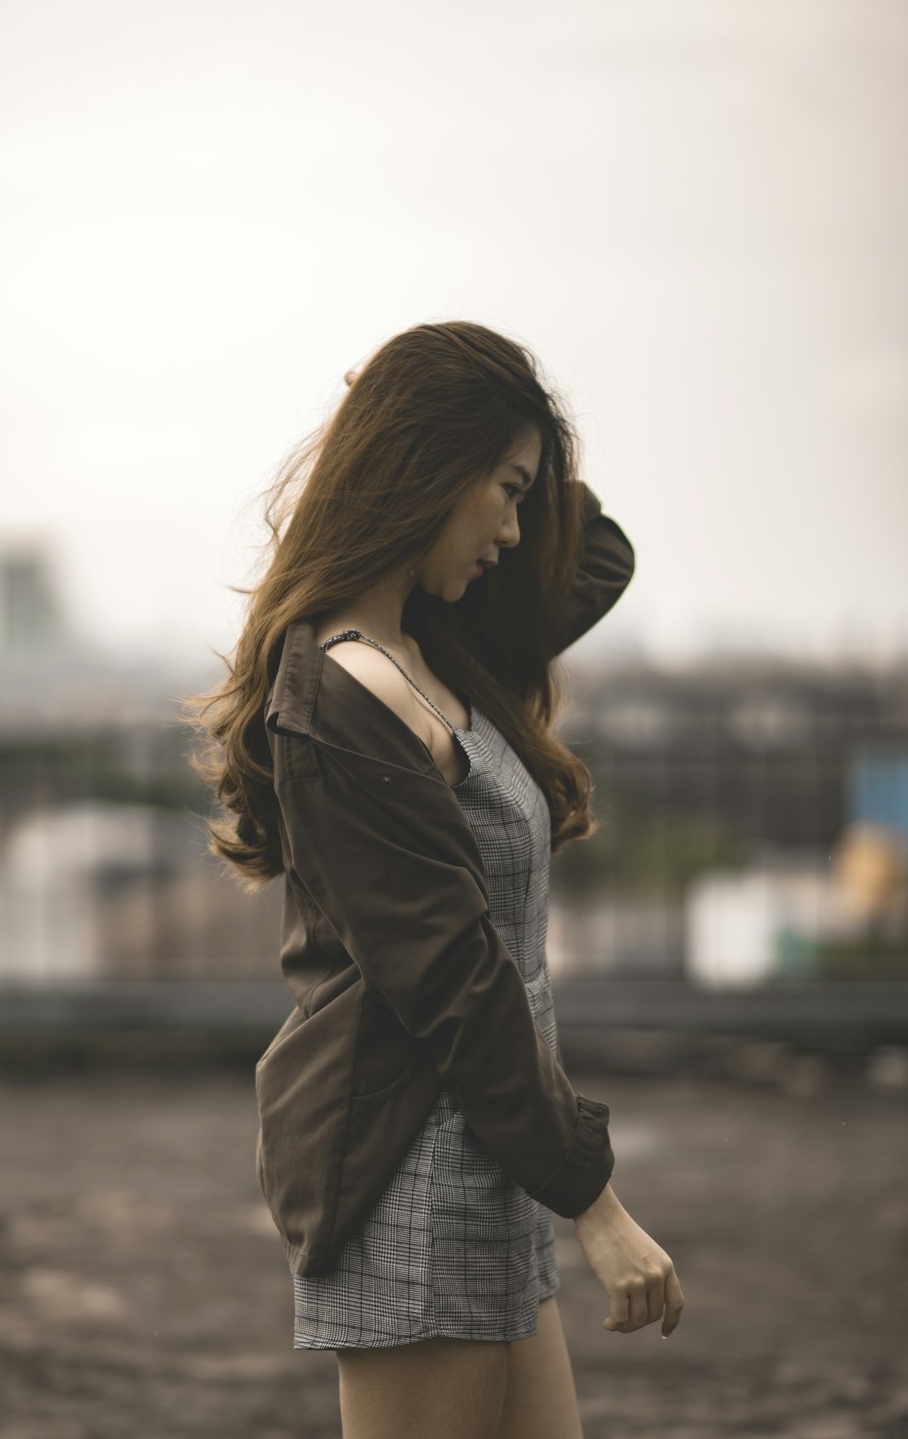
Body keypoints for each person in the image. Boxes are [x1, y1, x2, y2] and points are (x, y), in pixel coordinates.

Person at [180, 320, 684, 1439]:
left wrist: (521, 434)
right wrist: (594, 1205)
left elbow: (596, 554)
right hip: (411, 1164)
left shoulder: (441, 645)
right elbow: (455, 978)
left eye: (523, 494)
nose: (515, 529)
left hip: (492, 1147)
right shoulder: (343, 702)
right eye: (501, 491)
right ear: (430, 469)